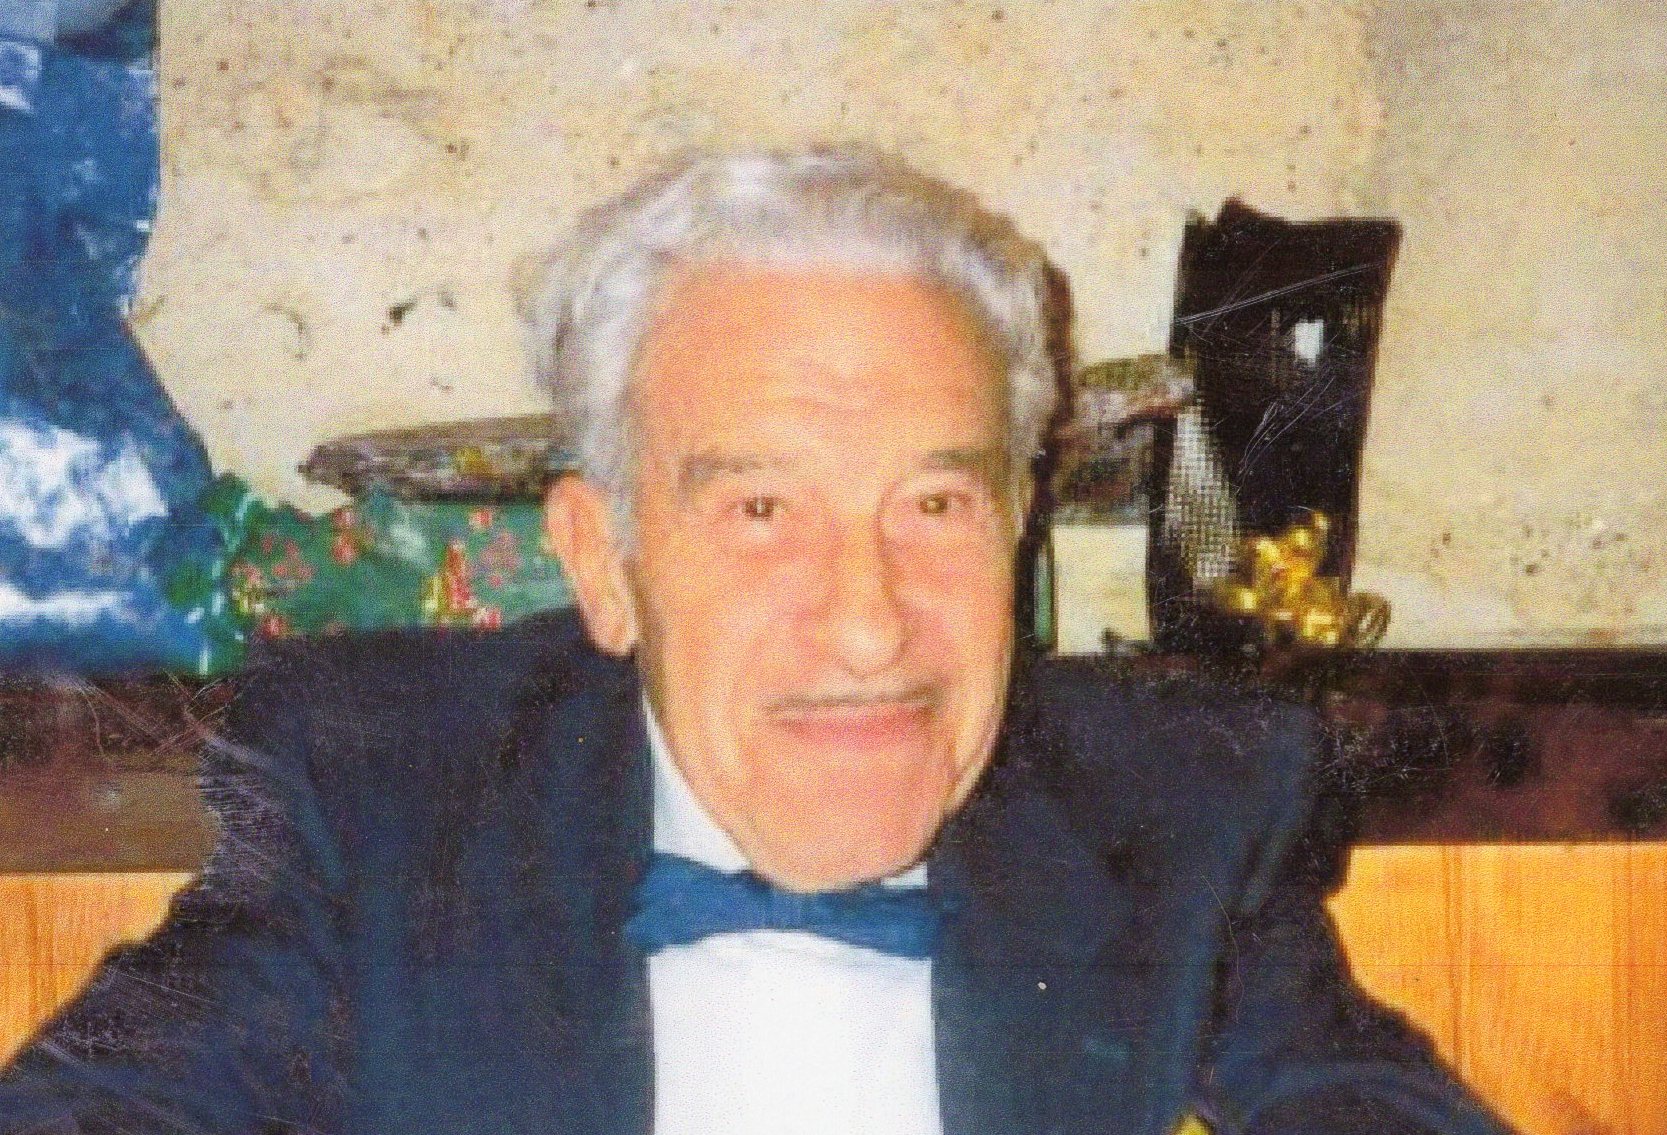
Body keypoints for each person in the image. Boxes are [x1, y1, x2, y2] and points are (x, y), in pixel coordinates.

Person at [0, 148, 1513, 1135]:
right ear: (605, 563)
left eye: (935, 504)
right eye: (762, 512)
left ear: (1020, 526)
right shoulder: (386, 793)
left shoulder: (1174, 803)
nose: (867, 623)